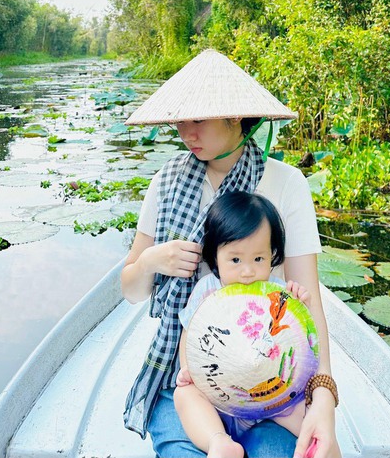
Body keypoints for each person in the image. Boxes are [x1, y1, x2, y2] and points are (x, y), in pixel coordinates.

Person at [120, 49, 340, 458]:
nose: (187, 132)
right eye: (180, 120)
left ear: (235, 116)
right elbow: (131, 289)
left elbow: (309, 301)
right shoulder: (166, 182)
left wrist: (323, 396)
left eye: (198, 119)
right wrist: (153, 261)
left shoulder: (287, 184)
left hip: (269, 370)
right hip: (184, 374)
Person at [174, 190, 313, 458]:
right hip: (218, 397)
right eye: (235, 260)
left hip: (268, 397)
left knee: (301, 404)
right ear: (215, 256)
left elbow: (298, 337)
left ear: (272, 255)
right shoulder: (207, 291)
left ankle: (311, 439)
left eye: (258, 259)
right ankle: (218, 442)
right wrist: (188, 368)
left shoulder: (276, 292)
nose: (248, 271)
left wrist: (300, 305)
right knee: (185, 395)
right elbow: (190, 334)